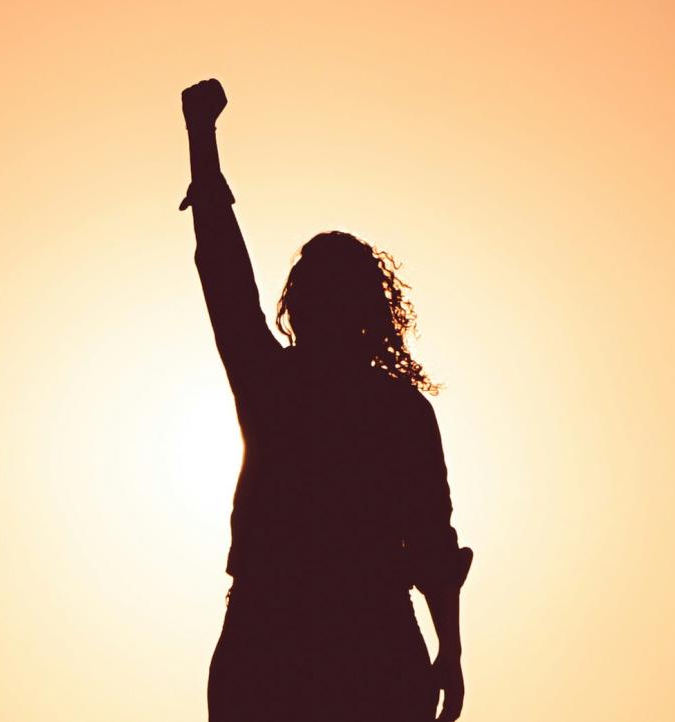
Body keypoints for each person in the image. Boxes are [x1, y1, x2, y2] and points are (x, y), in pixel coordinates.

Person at [178, 78, 473, 722]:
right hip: (334, 639)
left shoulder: (280, 386)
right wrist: (449, 648)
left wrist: (202, 141)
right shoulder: (390, 409)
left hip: (305, 640)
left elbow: (430, 542)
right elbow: (432, 545)